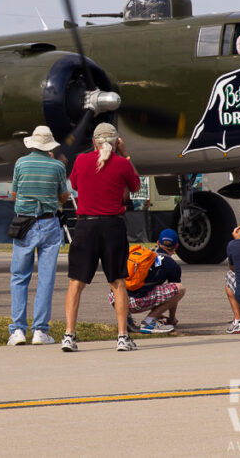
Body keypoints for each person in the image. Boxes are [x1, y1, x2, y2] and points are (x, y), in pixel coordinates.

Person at [63, 122, 141, 353]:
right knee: (117, 282)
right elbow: (135, 186)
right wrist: (126, 155)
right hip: (112, 227)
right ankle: (122, 336)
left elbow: (75, 184)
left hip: (86, 226)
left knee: (76, 283)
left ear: (94, 142)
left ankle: (69, 335)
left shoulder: (81, 161)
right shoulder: (121, 164)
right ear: (116, 142)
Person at [8, 126, 69, 346]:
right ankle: (40, 330)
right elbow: (63, 197)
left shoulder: (21, 163)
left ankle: (17, 330)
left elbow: (15, 193)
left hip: (24, 222)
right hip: (49, 222)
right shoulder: (57, 166)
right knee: (46, 279)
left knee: (19, 277)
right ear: (49, 146)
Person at [110, 228, 185, 335]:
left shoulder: (145, 255)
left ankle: (126, 319)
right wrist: (172, 318)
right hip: (138, 302)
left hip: (119, 300)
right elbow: (173, 293)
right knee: (180, 288)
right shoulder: (172, 265)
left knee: (119, 287)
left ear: (158, 243)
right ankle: (149, 322)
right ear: (176, 246)